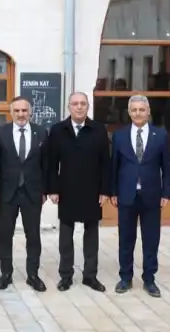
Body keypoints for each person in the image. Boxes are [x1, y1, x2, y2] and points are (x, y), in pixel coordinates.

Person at [46, 92, 110, 292]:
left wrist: (105, 190)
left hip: (92, 190)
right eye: (75, 104)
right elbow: (50, 163)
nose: (79, 107)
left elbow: (106, 163)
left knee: (91, 236)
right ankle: (66, 276)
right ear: (69, 107)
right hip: (66, 189)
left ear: (88, 106)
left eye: (83, 104)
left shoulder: (99, 130)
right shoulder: (58, 130)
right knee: (66, 235)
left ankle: (90, 276)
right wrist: (52, 189)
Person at [111, 94, 170, 298]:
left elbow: (167, 167)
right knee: (126, 238)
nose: (138, 113)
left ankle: (149, 279)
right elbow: (114, 167)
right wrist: (113, 192)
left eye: (142, 110)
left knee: (151, 238)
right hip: (126, 195)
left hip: (152, 195)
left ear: (148, 112)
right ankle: (125, 277)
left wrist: (166, 192)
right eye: (134, 110)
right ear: (129, 113)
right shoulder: (119, 136)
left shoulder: (160, 135)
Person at [0, 96, 49, 292]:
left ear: (30, 112)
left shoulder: (41, 133)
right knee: (5, 234)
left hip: (32, 193)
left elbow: (46, 165)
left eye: (24, 110)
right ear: (11, 113)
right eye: (16, 111)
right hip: (7, 192)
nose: (20, 114)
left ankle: (32, 274)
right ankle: (6, 273)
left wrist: (46, 190)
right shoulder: (0, 133)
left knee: (33, 235)